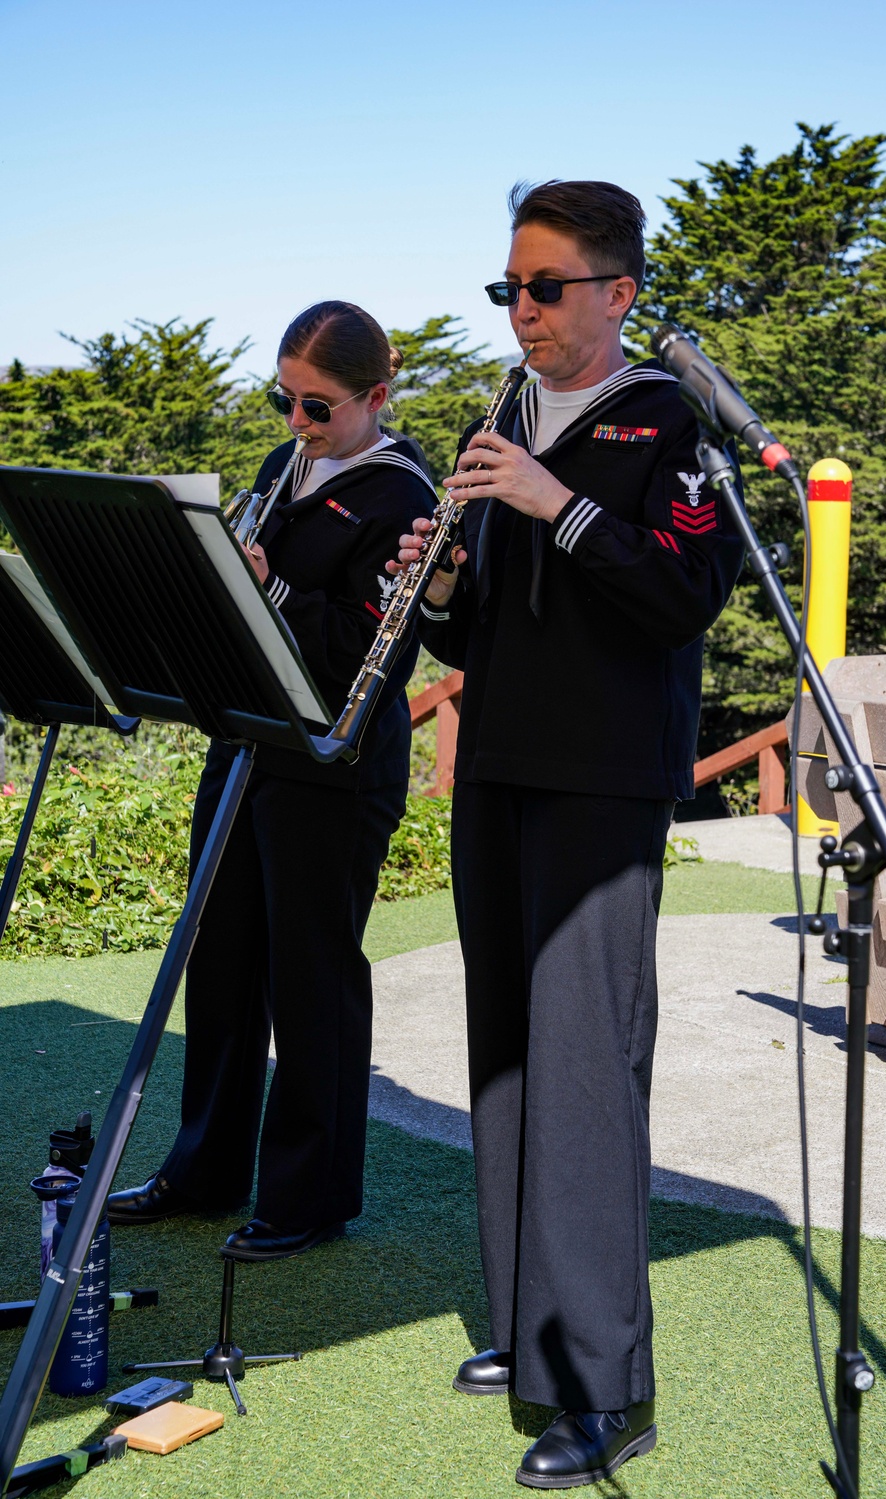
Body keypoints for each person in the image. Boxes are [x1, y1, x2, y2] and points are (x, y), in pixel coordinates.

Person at [392, 181, 745, 1487]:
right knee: (505, 1057)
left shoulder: (669, 418)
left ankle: (606, 1385)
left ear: (618, 291)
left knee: (588, 1071)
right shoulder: (499, 412)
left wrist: (559, 503)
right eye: (510, 289)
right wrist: (437, 578)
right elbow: (469, 627)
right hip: (501, 768)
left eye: (545, 287)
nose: (522, 311)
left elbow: (682, 593)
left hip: (603, 782)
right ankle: (527, 1326)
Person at [109, 301, 436, 1261]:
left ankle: (308, 1196)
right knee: (222, 960)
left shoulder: (405, 496)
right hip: (249, 739)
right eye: (283, 398)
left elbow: (367, 645)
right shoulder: (281, 467)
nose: (296, 423)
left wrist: (269, 585)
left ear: (377, 397)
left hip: (332, 761)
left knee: (312, 978)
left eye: (318, 407)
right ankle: (202, 1170)